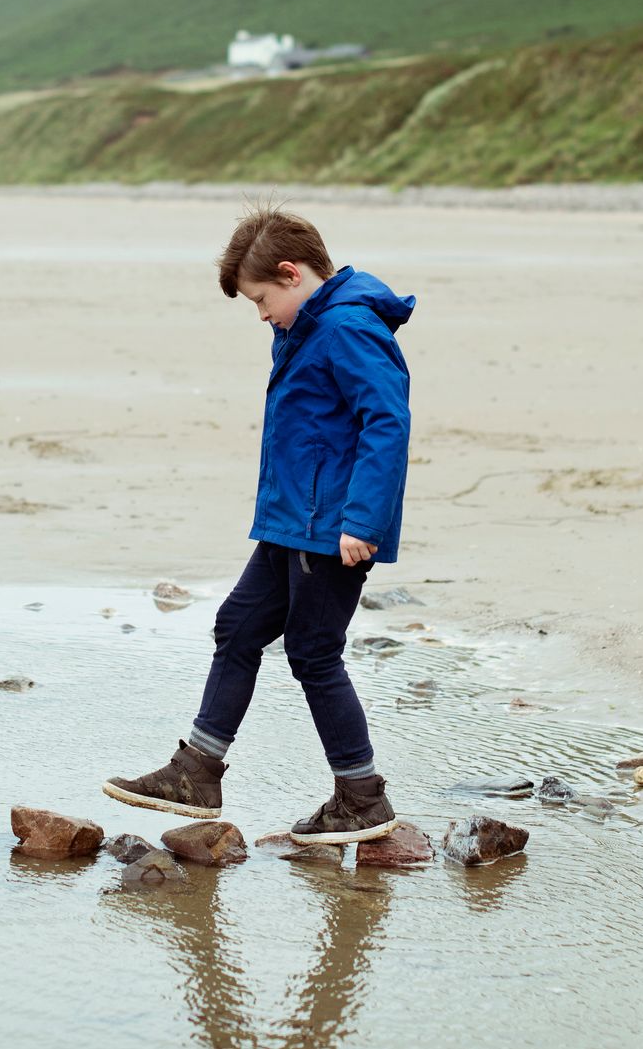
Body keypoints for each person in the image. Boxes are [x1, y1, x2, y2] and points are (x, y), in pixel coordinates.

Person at [103, 207, 414, 844]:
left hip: (332, 530)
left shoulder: (348, 328)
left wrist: (362, 520)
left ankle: (361, 796)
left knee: (313, 652)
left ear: (292, 274)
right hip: (288, 523)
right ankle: (197, 772)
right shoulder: (308, 328)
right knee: (238, 626)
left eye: (262, 299)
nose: (261, 313)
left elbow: (387, 422)